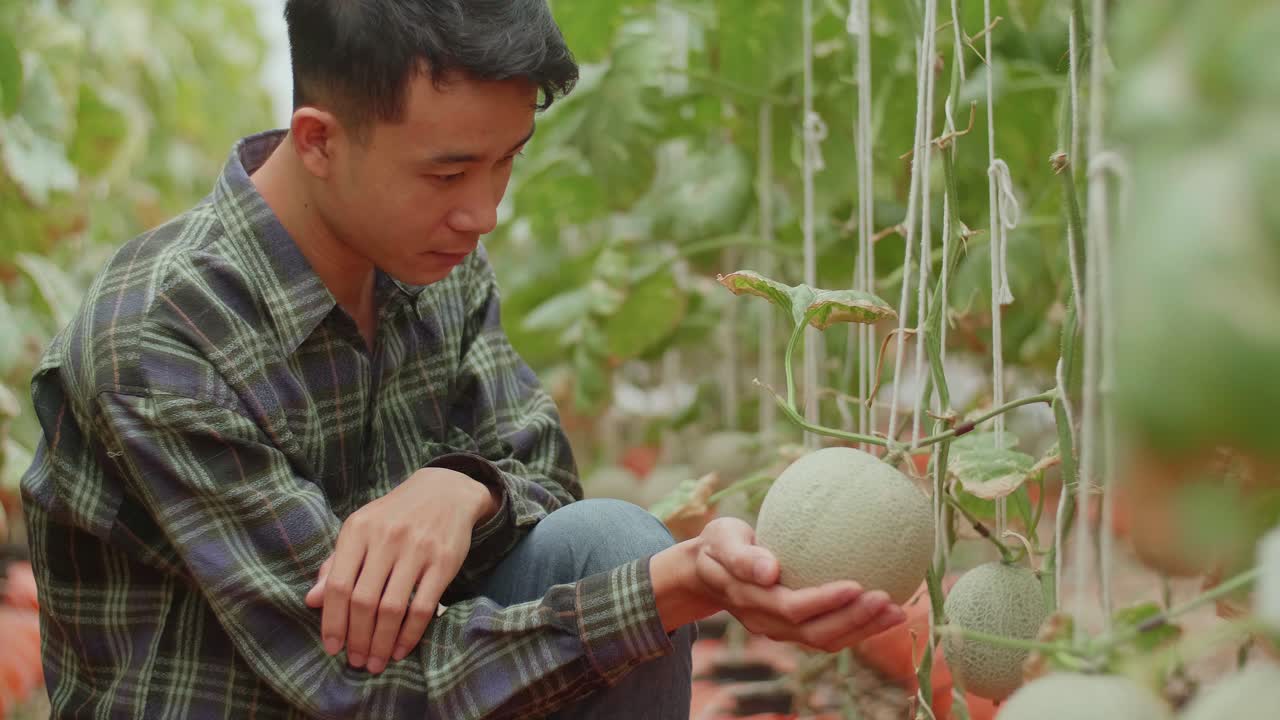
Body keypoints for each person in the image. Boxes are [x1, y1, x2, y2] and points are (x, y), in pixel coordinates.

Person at [19, 1, 906, 717]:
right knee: (637, 573)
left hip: (418, 682)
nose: (483, 213)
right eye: (448, 174)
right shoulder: (162, 335)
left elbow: (545, 470)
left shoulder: (432, 258)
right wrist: (677, 588)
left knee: (609, 540)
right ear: (320, 140)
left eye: (505, 162)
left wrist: (463, 485)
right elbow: (349, 684)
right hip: (308, 694)